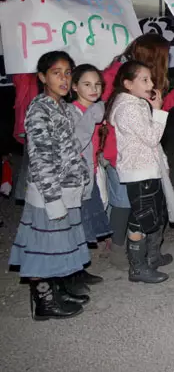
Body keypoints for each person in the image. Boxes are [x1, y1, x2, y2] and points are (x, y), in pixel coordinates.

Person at [9, 51, 92, 320]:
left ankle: (57, 291)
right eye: (57, 73)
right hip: (49, 193)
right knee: (41, 247)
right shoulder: (39, 109)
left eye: (68, 73)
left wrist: (81, 177)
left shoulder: (64, 108)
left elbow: (71, 150)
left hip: (67, 189)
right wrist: (52, 197)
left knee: (58, 244)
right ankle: (43, 300)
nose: (64, 79)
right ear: (43, 77)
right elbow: (41, 157)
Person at [100, 33, 174, 268]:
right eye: (164, 56)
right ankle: (119, 252)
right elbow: (101, 111)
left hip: (142, 156)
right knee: (126, 205)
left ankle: (147, 255)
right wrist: (101, 151)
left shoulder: (140, 83)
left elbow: (158, 107)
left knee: (146, 209)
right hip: (123, 154)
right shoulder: (122, 79)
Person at [106, 61, 172, 283]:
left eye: (150, 79)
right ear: (127, 84)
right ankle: (137, 267)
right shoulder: (127, 108)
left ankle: (151, 257)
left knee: (153, 215)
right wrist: (159, 111)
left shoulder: (137, 103)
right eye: (144, 80)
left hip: (148, 170)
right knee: (141, 220)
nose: (151, 84)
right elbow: (152, 137)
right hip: (139, 172)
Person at [69, 64, 112, 286]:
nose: (93, 89)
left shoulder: (95, 110)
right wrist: (93, 115)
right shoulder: (70, 112)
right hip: (76, 178)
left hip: (92, 172)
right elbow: (75, 143)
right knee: (76, 224)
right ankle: (72, 273)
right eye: (87, 84)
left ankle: (80, 269)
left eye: (97, 84)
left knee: (86, 225)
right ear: (74, 86)